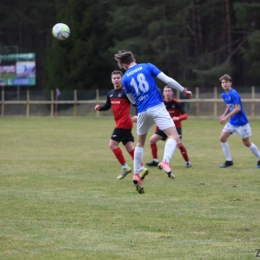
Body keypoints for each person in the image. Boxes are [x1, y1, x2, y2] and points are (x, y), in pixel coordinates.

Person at [114, 50, 192, 194]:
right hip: (157, 106)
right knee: (174, 136)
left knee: (140, 143)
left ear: (124, 65)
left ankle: (137, 174)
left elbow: (132, 101)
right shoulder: (147, 66)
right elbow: (167, 80)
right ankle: (165, 161)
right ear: (134, 59)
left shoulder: (125, 78)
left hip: (142, 111)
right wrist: (183, 90)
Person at [95, 70, 149, 179]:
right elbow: (107, 105)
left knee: (112, 144)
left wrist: (138, 115)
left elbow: (137, 104)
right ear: (111, 80)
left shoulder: (126, 92)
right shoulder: (110, 93)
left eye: (118, 78)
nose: (116, 80)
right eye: (114, 78)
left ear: (121, 79)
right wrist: (100, 108)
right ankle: (142, 168)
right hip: (122, 123)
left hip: (124, 122)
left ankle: (125, 167)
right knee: (129, 148)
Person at [219, 74, 260, 168]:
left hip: (241, 122)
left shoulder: (234, 93)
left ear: (230, 83)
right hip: (232, 122)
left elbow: (238, 108)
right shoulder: (224, 94)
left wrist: (226, 117)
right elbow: (229, 105)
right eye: (223, 82)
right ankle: (229, 161)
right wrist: (224, 115)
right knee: (222, 138)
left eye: (226, 82)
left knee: (246, 142)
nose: (225, 84)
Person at [146, 85, 192, 168]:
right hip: (163, 127)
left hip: (175, 127)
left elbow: (185, 116)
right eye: (166, 91)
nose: (167, 93)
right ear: (163, 93)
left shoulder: (177, 103)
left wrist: (178, 118)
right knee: (152, 140)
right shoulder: (161, 104)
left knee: (179, 143)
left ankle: (188, 162)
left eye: (169, 91)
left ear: (172, 93)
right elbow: (157, 118)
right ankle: (155, 161)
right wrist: (157, 130)